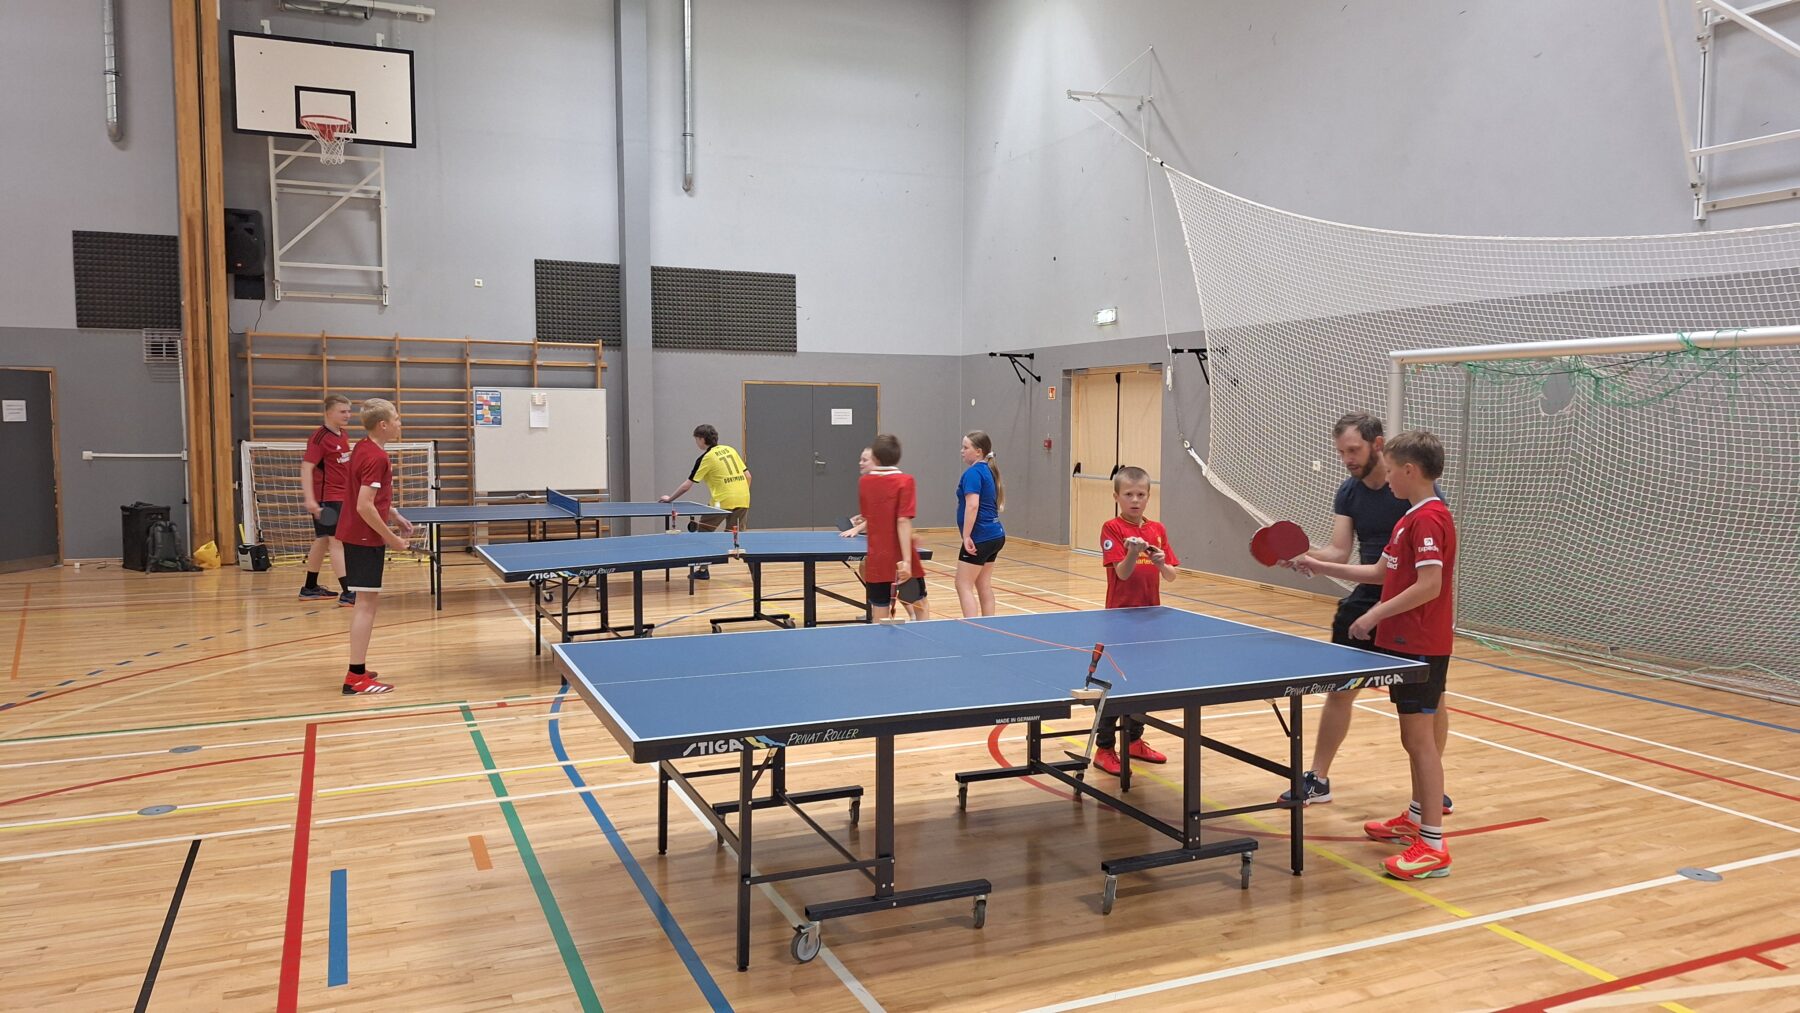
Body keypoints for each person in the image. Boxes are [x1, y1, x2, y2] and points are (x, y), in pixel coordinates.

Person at [1294, 430, 1457, 880]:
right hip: (1405, 642)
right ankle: (1416, 818)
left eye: (1391, 471)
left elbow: (1430, 585)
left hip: (1422, 644)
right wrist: (1320, 565)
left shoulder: (1430, 519)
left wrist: (1374, 615)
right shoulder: (1408, 519)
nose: (1387, 479)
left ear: (1409, 471)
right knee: (1413, 739)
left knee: (1419, 742)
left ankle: (1433, 846)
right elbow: (1380, 572)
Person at [1093, 466, 1179, 776]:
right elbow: (1123, 573)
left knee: (1144, 682)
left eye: (1141, 494)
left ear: (1148, 496)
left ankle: (1133, 740)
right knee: (1113, 684)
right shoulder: (1112, 528)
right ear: (1116, 496)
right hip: (1119, 619)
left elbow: (1171, 575)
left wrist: (1161, 562)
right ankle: (1104, 748)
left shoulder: (1157, 529)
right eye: (1128, 494)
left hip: (1150, 617)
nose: (1135, 500)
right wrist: (1132, 552)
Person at [334, 399, 414, 696]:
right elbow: (364, 505)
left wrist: (394, 515)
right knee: (365, 606)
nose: (400, 423)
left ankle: (358, 670)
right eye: (397, 419)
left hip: (358, 534)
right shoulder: (376, 457)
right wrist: (392, 539)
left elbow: (367, 495)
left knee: (366, 604)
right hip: (364, 537)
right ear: (383, 425)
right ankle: (355, 677)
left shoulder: (363, 448)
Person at [845, 446, 928, 621]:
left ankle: (908, 615)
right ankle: (908, 615)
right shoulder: (877, 483)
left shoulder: (870, 483)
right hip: (891, 557)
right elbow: (890, 518)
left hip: (889, 558)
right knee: (915, 603)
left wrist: (908, 552)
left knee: (891, 606)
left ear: (877, 460)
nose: (861, 463)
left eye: (865, 460)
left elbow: (900, 520)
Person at [660, 423, 750, 579]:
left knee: (704, 533)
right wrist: (740, 492)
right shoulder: (730, 450)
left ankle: (703, 571)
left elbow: (687, 485)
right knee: (737, 539)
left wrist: (670, 498)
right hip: (743, 498)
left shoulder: (705, 458)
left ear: (702, 439)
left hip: (721, 502)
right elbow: (748, 476)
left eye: (696, 439)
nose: (696, 443)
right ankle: (755, 572)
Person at [299, 394, 355, 606]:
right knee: (337, 542)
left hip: (341, 496)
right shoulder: (319, 438)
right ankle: (349, 592)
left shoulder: (343, 434)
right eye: (343, 411)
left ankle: (310, 587)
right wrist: (310, 500)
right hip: (327, 499)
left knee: (323, 540)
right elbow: (306, 468)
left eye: (349, 411)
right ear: (329, 413)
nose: (348, 415)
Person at [954, 430, 1005, 617]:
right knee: (983, 584)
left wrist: (967, 535)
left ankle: (972, 628)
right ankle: (989, 626)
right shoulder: (987, 470)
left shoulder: (973, 473)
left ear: (978, 451)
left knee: (962, 584)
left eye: (965, 447)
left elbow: (972, 505)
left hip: (980, 536)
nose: (962, 451)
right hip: (995, 535)